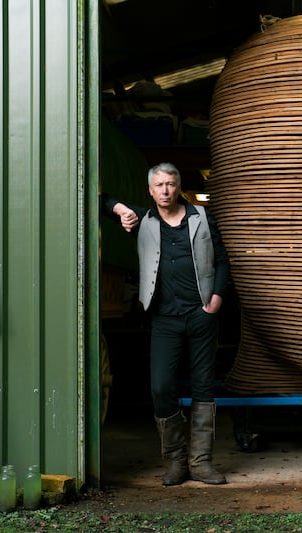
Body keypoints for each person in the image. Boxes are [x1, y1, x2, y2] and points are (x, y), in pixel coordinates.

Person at [102, 162, 230, 486]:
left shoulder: (201, 217)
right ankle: (176, 461)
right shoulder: (142, 219)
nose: (165, 190)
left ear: (179, 185)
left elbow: (223, 261)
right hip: (164, 318)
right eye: (159, 185)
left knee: (203, 386)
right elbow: (100, 199)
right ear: (150, 190)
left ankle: (201, 463)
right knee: (161, 387)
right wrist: (120, 210)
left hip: (201, 315)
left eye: (171, 184)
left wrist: (215, 299)